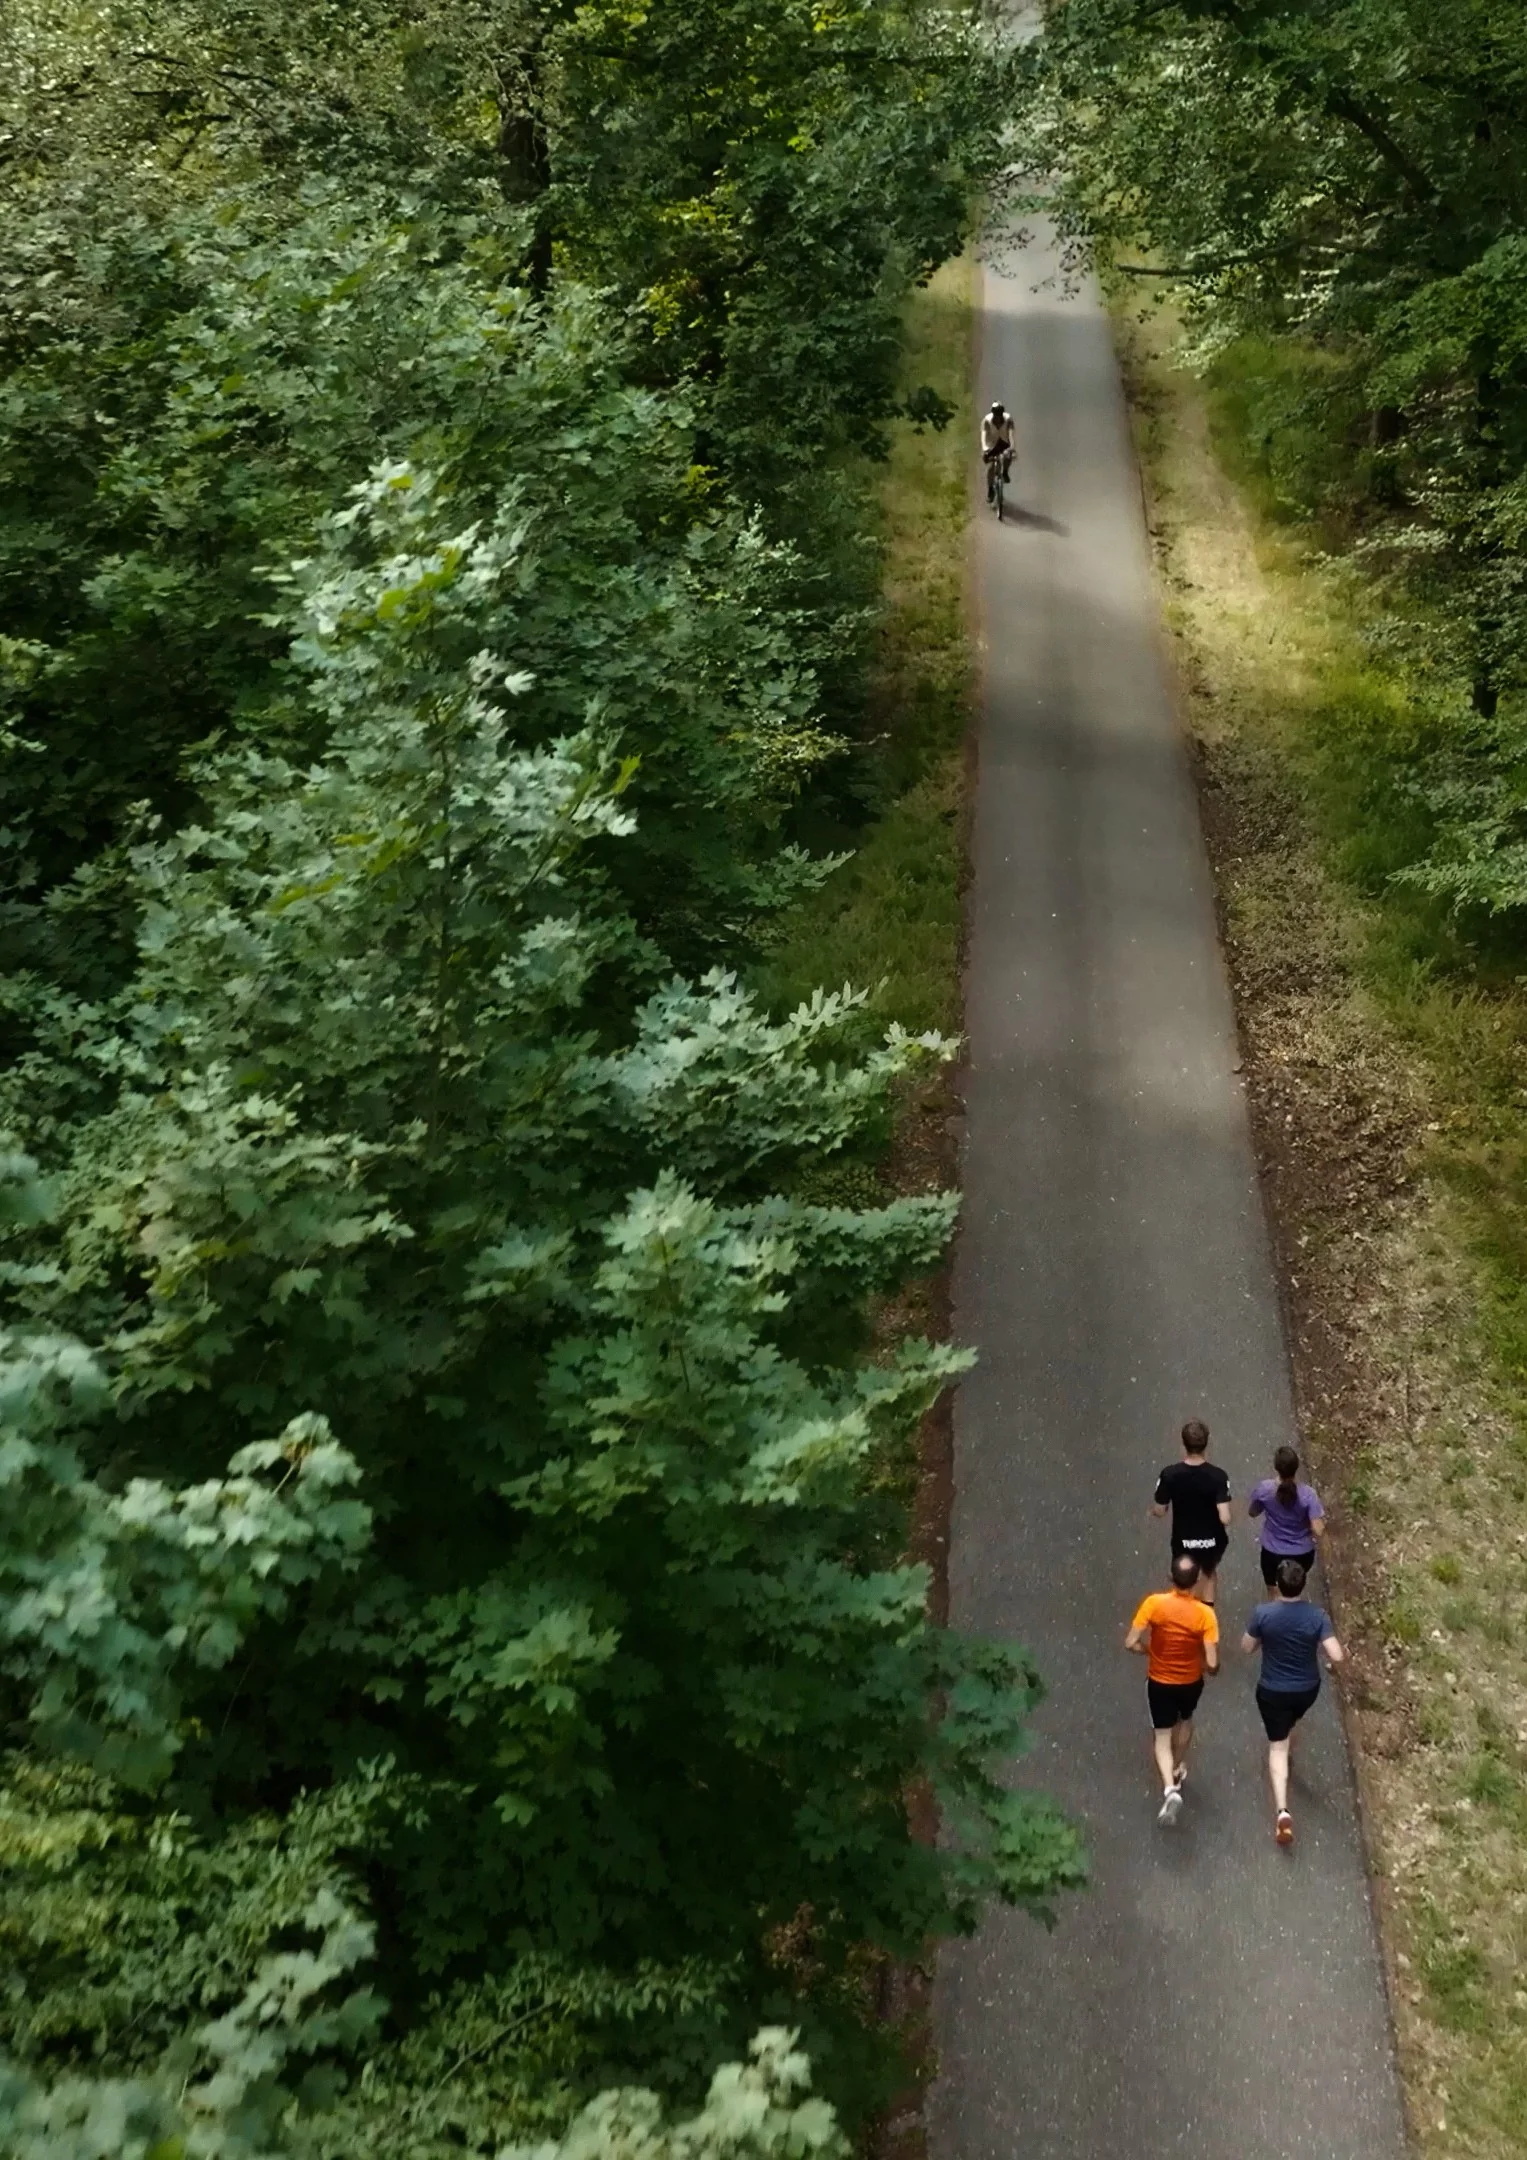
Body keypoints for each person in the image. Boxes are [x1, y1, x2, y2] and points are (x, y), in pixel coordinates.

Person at [1241, 1558, 1344, 1846]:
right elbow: (1336, 1655)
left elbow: (1246, 1647)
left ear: (1279, 1583)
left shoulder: (1263, 1613)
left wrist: (1263, 1638)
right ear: (1303, 1584)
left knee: (1277, 1745)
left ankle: (1282, 1811)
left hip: (1272, 1689)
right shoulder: (1317, 1616)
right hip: (1306, 1689)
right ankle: (1286, 1752)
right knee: (1291, 1725)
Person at [1126, 1553, 1220, 1824]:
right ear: (1195, 1582)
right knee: (1186, 1721)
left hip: (1160, 1680)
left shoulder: (1154, 1604)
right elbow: (1212, 1663)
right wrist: (1205, 1665)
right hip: (1190, 1681)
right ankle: (1178, 1767)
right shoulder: (1205, 1615)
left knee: (1162, 1736)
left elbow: (1130, 1642)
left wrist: (1149, 1652)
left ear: (1171, 1577)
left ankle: (1170, 1788)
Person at [1151, 1419, 1232, 1606]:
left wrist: (1154, 1511)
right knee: (1209, 1573)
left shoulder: (1169, 1475)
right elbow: (1225, 1517)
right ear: (1206, 1444)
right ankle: (1207, 1617)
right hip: (1211, 1540)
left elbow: (1160, 1510)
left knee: (1183, 1577)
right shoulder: (1219, 1476)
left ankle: (1183, 1615)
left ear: (1183, 1445)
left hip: (1183, 1539)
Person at [1248, 1444, 1326, 1586]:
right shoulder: (1308, 1495)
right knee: (1293, 1589)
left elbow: (1253, 1512)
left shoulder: (1265, 1489)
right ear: (1296, 1467)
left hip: (1272, 1552)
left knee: (1273, 1590)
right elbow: (1318, 1529)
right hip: (1302, 1554)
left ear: (1276, 1467)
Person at [981, 402, 1014, 499]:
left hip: (1003, 443)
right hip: (990, 445)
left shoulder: (1008, 420)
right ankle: (990, 489)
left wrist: (1012, 447)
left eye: (999, 415)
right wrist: (985, 449)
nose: (998, 418)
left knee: (1008, 456)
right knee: (991, 467)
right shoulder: (986, 421)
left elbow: (1011, 434)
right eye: (996, 415)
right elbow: (983, 436)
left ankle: (1005, 472)